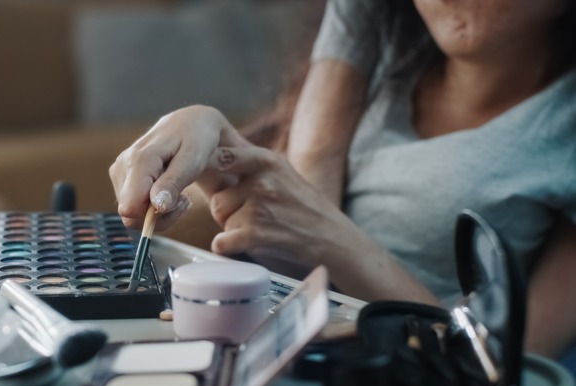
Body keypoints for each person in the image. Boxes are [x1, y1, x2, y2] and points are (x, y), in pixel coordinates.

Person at [108, 0, 576, 362]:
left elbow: (507, 373)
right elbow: (295, 218)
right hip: (287, 355)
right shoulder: (381, 27)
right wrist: (209, 142)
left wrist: (330, 239)